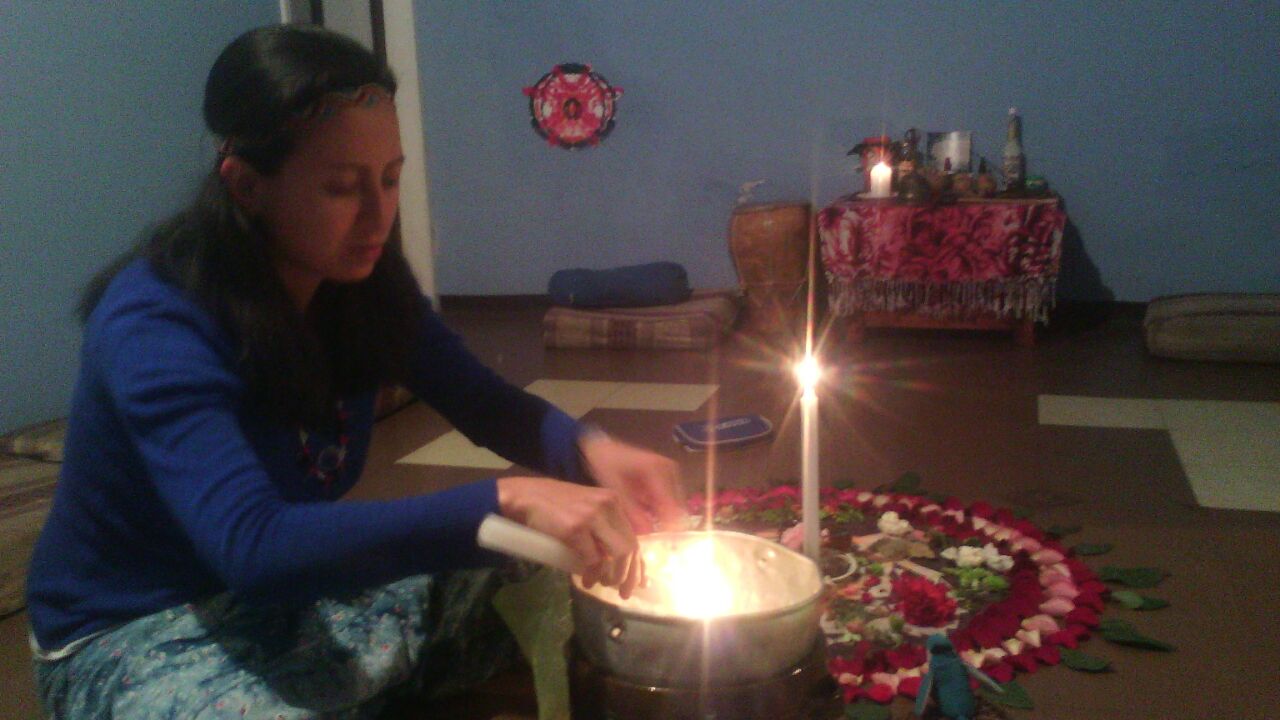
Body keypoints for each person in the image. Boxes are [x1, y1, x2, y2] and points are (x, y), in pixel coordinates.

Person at [26, 24, 684, 718]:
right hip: (133, 629)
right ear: (246, 185)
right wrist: (504, 499)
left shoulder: (362, 283)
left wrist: (592, 450)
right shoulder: (156, 321)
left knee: (558, 570)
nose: (378, 215)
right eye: (342, 187)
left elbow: (482, 401)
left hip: (289, 602)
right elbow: (254, 547)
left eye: (390, 178)